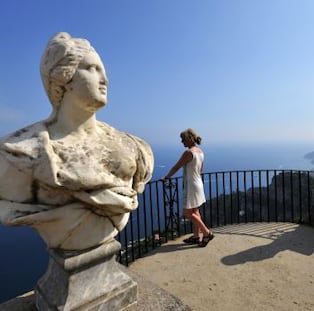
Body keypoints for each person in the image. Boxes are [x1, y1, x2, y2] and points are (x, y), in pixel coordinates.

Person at [0, 32, 154, 251]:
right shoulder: (18, 153)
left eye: (104, 70)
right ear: (64, 79)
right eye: (92, 69)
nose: (105, 80)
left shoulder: (132, 146)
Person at [161, 129, 214, 247]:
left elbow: (176, 167)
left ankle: (207, 233)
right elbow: (201, 170)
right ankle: (196, 237)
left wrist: (166, 177)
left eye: (183, 139)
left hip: (191, 186)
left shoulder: (188, 153)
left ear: (189, 139)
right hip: (198, 184)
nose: (182, 142)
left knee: (187, 213)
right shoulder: (200, 152)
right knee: (195, 211)